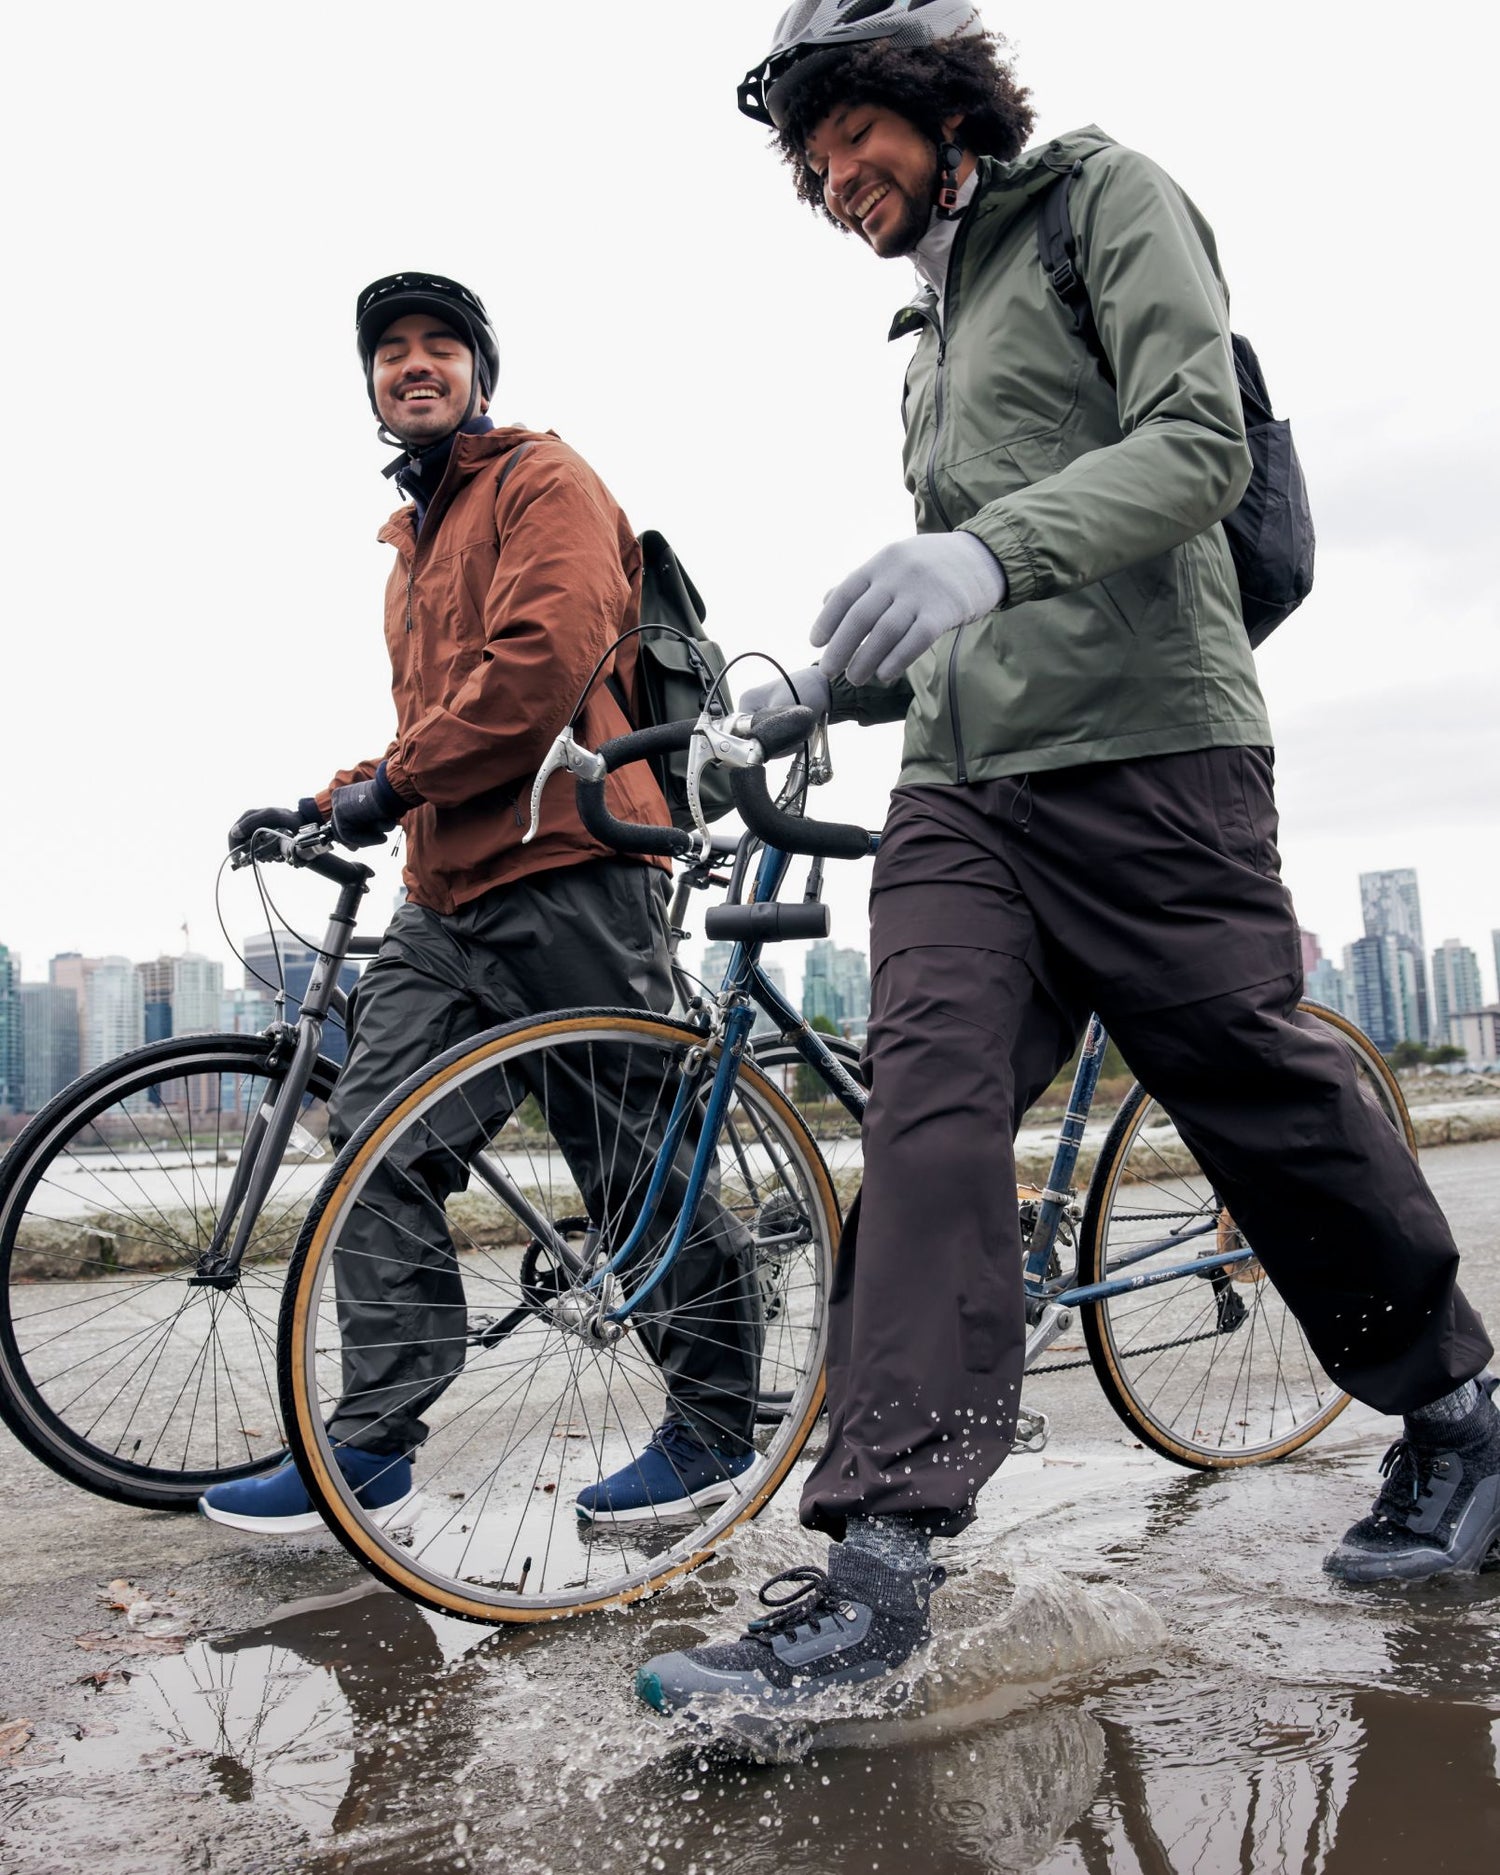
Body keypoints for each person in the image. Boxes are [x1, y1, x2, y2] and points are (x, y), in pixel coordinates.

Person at [634, 1, 1499, 1713]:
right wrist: (824, 684)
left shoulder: (1109, 201)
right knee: (926, 1109)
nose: (830, 185)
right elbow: (963, 587)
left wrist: (984, 555)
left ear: (937, 103)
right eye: (807, 171)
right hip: (966, 789)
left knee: (1253, 1085)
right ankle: (876, 1572)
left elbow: (1194, 446)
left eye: (846, 141)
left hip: (1155, 754)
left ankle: (1456, 1411)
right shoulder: (924, 333)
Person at [202, 272, 761, 1535]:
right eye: (390, 349)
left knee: (628, 1162)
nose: (413, 362)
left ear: (478, 373)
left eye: (438, 346)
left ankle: (718, 1424)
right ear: (372, 386)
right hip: (444, 897)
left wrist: (389, 783)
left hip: (574, 869)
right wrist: (330, 795)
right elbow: (431, 726)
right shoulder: (409, 549)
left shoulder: (542, 481)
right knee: (374, 1152)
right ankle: (370, 1449)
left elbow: (538, 674)